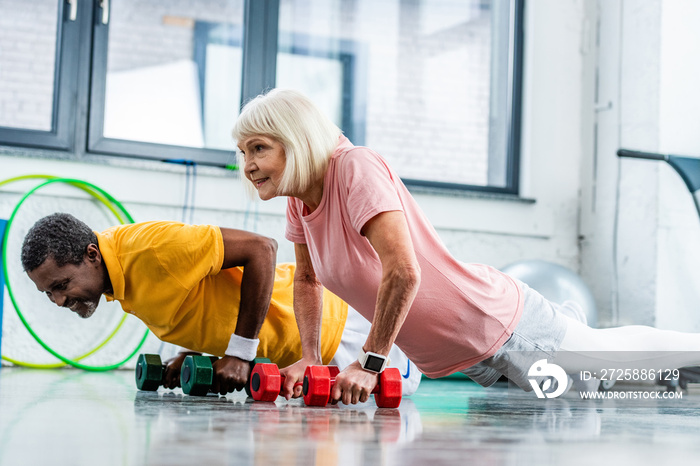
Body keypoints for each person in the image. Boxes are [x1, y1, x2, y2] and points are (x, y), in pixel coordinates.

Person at [232, 88, 700, 404]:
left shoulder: (354, 168)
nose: (249, 165)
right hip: (470, 356)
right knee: (625, 380)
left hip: (499, 327)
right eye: (243, 151)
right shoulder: (300, 199)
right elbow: (309, 281)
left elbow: (404, 272)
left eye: (259, 148)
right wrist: (312, 357)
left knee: (621, 365)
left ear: (295, 141)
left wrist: (371, 363)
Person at [20, 213, 421, 396]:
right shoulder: (115, 274)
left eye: (61, 285)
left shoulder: (152, 249)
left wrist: (239, 352)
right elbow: (201, 298)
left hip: (339, 333)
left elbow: (261, 250)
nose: (57, 300)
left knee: (455, 359)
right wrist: (192, 353)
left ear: (91, 254)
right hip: (294, 361)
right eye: (48, 293)